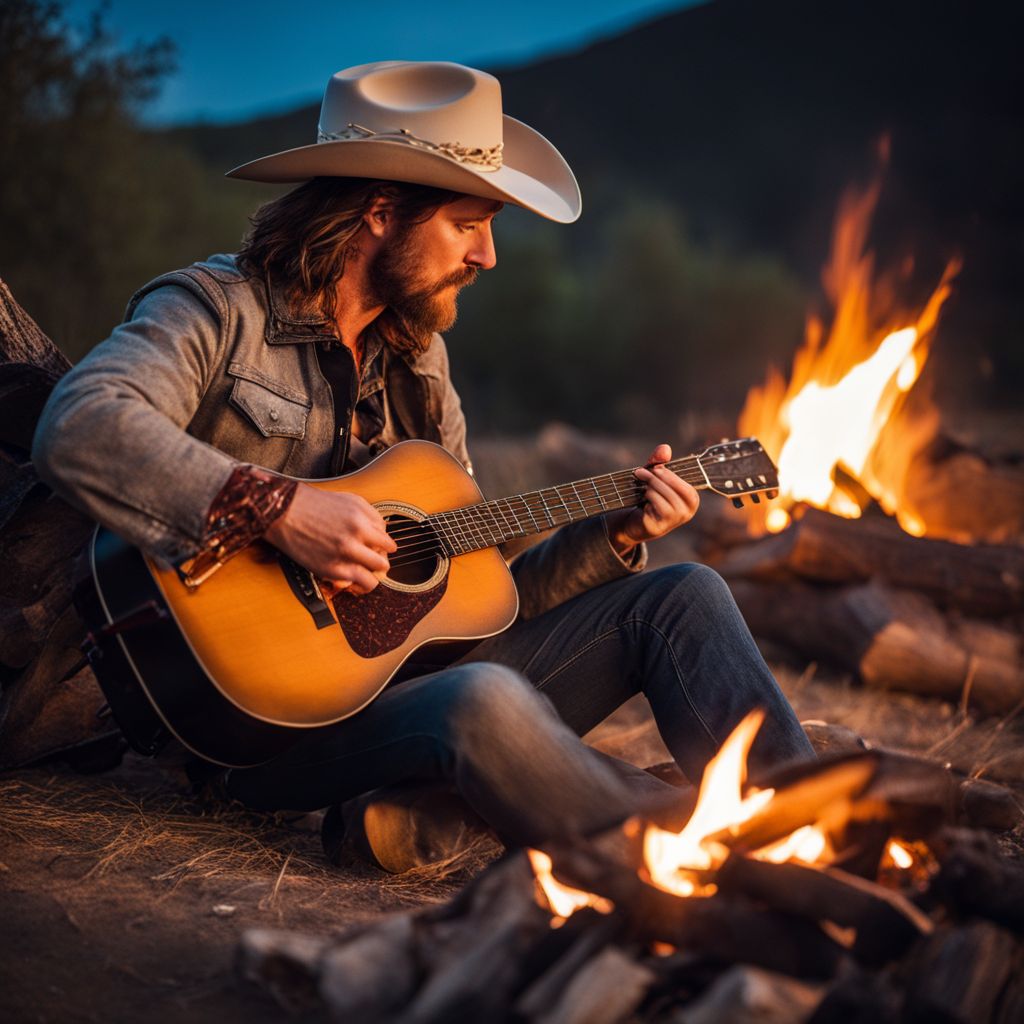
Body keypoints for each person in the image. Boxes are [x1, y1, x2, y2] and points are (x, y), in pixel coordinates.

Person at [32, 60, 814, 866]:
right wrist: (283, 510)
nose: (488, 256)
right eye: (469, 224)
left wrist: (611, 536)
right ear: (379, 212)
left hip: (411, 693)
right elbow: (81, 424)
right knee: (485, 698)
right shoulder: (215, 310)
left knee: (683, 594)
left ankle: (803, 815)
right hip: (255, 729)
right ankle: (740, 846)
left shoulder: (420, 364)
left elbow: (472, 602)